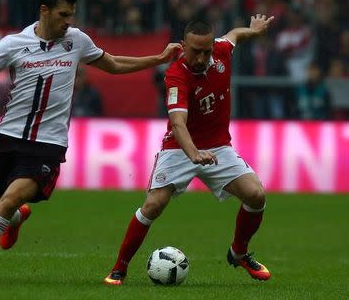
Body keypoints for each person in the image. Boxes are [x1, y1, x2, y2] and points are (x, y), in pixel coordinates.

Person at [0, 0, 181, 284]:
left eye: (72, 15)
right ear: (44, 11)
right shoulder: (13, 44)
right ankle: (18, 217)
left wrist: (157, 59)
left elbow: (112, 64)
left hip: (46, 145)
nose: (69, 21)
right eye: (63, 15)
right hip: (6, 139)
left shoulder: (76, 41)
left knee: (7, 200)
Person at [104, 14, 275, 285]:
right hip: (179, 149)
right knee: (154, 204)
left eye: (206, 52)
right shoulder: (176, 75)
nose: (200, 58)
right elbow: (178, 123)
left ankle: (238, 252)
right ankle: (119, 267)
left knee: (256, 195)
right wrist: (193, 153)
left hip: (218, 147)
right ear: (183, 46)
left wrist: (253, 31)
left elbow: (234, 34)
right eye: (195, 51)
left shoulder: (220, 50)